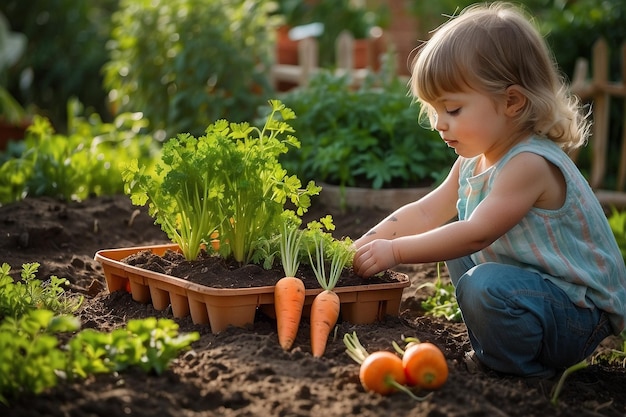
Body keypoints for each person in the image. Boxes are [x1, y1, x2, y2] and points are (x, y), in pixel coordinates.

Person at [352, 2, 626, 379]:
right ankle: (499, 345)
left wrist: (395, 251)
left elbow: (477, 234)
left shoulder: (528, 163)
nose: (439, 124)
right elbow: (427, 212)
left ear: (511, 101)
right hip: (535, 292)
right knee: (450, 240)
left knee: (476, 268)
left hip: (577, 313)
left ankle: (525, 371)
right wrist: (363, 244)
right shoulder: (474, 160)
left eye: (452, 109)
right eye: (434, 111)